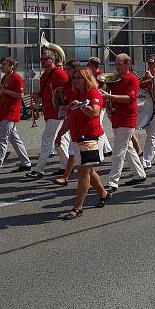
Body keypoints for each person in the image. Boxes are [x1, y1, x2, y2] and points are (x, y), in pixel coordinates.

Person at [55, 67, 110, 220]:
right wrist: (59, 134)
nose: (76, 80)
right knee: (88, 170)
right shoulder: (75, 94)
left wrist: (81, 106)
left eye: (79, 77)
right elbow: (69, 118)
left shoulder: (93, 93)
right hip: (77, 138)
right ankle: (103, 194)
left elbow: (95, 112)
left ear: (87, 79)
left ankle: (78, 207)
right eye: (75, 78)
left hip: (90, 138)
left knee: (83, 171)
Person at [102, 54, 147, 191]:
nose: (116, 66)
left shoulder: (132, 79)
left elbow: (129, 98)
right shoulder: (115, 78)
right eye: (115, 63)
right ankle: (139, 174)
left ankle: (113, 181)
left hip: (127, 118)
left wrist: (110, 96)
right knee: (127, 147)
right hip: (117, 117)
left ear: (128, 64)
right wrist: (106, 87)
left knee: (119, 150)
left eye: (119, 63)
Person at [27, 48, 70, 179]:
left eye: (44, 59)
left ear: (51, 60)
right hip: (49, 113)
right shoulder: (44, 75)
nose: (42, 61)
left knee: (47, 140)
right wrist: (37, 95)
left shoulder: (60, 74)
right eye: (41, 59)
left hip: (57, 114)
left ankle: (39, 169)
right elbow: (45, 91)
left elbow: (65, 94)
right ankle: (67, 166)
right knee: (59, 142)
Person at [0, 56, 31, 178]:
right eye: (2, 64)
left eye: (4, 64)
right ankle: (26, 163)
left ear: (11, 65)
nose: (2, 66)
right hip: (4, 111)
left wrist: (4, 91)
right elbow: (3, 93)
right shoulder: (5, 77)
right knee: (15, 140)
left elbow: (20, 94)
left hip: (11, 112)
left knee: (2, 140)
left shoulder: (16, 78)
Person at [87, 57, 114, 157]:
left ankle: (103, 150)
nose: (88, 67)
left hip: (101, 105)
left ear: (93, 65)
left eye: (89, 65)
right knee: (99, 126)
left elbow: (102, 90)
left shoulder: (101, 76)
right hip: (95, 104)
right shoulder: (91, 75)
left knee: (98, 125)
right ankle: (107, 149)